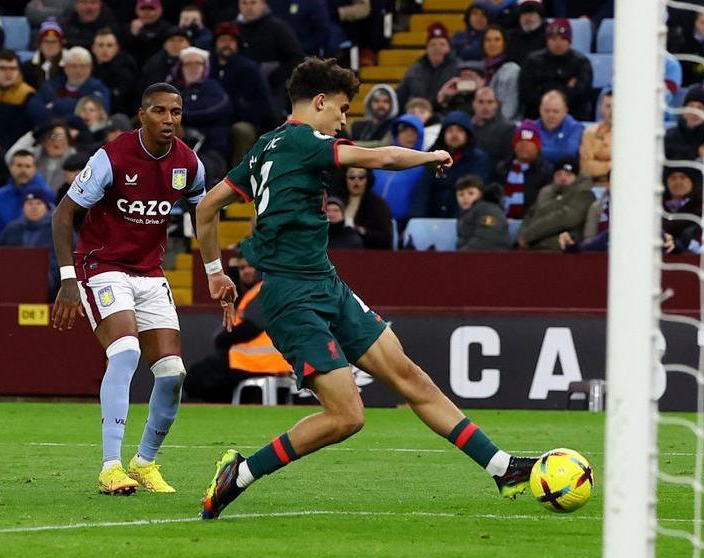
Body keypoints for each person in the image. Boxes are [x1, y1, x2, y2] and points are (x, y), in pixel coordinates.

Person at [193, 57, 540, 519]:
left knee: (408, 376)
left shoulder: (262, 147)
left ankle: (501, 468)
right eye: (340, 108)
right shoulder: (305, 140)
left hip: (325, 283)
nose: (342, 119)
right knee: (347, 416)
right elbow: (382, 157)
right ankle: (239, 474)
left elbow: (207, 206)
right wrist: (430, 155)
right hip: (291, 297)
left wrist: (216, 271)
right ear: (319, 102)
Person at [50, 82, 209, 496]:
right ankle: (109, 467)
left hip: (149, 272)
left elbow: (203, 215)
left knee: (173, 373)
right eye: (160, 111)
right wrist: (68, 278)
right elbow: (64, 215)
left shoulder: (188, 164)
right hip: (101, 266)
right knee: (125, 352)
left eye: (175, 112)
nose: (169, 120)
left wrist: (215, 270)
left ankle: (145, 462)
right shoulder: (112, 157)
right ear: (142, 114)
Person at [184, 254, 294, 403]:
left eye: (250, 266)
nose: (245, 271)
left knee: (195, 378)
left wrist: (222, 337)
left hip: (255, 362)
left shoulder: (264, 289)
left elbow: (251, 327)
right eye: (241, 268)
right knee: (207, 380)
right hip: (259, 362)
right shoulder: (258, 291)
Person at [210, 21, 273, 165]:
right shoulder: (207, 67)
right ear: (215, 43)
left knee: (241, 131)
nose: (227, 44)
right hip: (211, 121)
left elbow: (263, 104)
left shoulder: (250, 69)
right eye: (222, 40)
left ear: (237, 43)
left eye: (231, 40)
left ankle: (237, 180)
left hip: (242, 121)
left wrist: (236, 110)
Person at [412, 111, 490, 219]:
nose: (454, 135)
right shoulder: (433, 157)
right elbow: (423, 192)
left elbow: (475, 194)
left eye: (459, 130)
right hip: (433, 221)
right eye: (450, 130)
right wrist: (417, 221)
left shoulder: (478, 159)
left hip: (465, 221)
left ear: (467, 134)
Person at [236, 0, 306, 110]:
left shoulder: (277, 28)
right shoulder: (233, 29)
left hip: (272, 91)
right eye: (244, 3)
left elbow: (297, 58)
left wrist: (272, 78)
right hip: (239, 90)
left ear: (263, 4)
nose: (248, 7)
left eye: (253, 3)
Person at [518, 19, 593, 120]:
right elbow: (527, 94)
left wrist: (544, 88)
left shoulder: (581, 63)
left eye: (563, 39)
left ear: (569, 41)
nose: (558, 43)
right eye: (553, 39)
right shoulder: (532, 61)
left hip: (572, 117)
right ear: (547, 40)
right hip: (536, 117)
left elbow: (582, 95)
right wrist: (567, 88)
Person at [517, 156, 595, 250]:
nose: (563, 178)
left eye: (568, 174)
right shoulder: (546, 193)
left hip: (562, 247)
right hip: (534, 245)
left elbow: (565, 218)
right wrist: (520, 237)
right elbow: (529, 216)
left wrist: (527, 236)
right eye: (558, 174)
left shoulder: (584, 194)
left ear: (576, 177)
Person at [176, 46, 232, 160]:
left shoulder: (213, 87)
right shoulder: (174, 89)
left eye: (198, 63)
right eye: (188, 64)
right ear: (181, 67)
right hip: (179, 149)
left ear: (205, 67)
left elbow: (210, 111)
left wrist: (179, 114)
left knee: (189, 172)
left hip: (211, 151)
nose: (193, 67)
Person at [0, 149, 56, 244]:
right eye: (19, 166)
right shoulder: (0, 195)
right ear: (10, 167)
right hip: (8, 249)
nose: (23, 170)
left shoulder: (47, 194)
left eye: (28, 166)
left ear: (35, 169)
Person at [0, 191, 59, 292]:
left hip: (51, 288)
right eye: (29, 204)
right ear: (23, 207)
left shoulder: (58, 229)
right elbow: (0, 257)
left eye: (38, 203)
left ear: (46, 207)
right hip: (13, 286)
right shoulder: (11, 229)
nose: (34, 207)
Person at [495, 120, 552, 219]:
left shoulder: (546, 171)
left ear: (537, 146)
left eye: (529, 142)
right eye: (520, 141)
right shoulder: (502, 168)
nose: (524, 146)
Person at [36, 46, 112, 119]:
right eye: (74, 66)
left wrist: (56, 105)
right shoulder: (50, 86)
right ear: (65, 68)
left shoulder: (99, 88)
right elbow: (35, 107)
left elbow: (100, 109)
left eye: (83, 66)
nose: (78, 71)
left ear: (90, 68)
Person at [397, 22, 458, 112]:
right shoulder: (414, 70)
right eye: (433, 44)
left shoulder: (457, 70)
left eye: (442, 44)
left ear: (449, 48)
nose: (437, 48)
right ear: (427, 49)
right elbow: (400, 96)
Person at [91, 27, 140, 117]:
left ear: (116, 48)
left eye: (109, 45)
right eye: (100, 45)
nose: (104, 49)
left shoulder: (126, 74)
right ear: (93, 48)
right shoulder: (87, 69)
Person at [342, 166, 394, 249]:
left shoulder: (378, 204)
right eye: (351, 177)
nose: (356, 181)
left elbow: (385, 238)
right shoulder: (336, 201)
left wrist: (362, 231)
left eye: (361, 177)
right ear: (345, 179)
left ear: (367, 179)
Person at [455, 174, 509, 250]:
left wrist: (460, 257)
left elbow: (485, 239)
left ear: (480, 194)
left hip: (490, 259)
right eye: (460, 194)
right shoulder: (468, 212)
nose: (465, 197)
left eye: (471, 193)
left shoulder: (487, 209)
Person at [481, 24, 520, 121]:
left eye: (497, 40)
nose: (492, 44)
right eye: (488, 40)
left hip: (504, 124)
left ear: (504, 44)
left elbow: (509, 109)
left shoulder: (512, 70)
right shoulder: (477, 68)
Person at [470, 86, 515, 168]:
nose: (485, 106)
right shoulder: (466, 126)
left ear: (496, 104)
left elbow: (507, 160)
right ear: (474, 104)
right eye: (481, 102)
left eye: (490, 102)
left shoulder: (508, 129)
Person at [534, 90, 583, 164]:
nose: (551, 115)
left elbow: (569, 154)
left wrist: (536, 152)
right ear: (540, 110)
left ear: (565, 111)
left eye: (555, 111)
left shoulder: (576, 128)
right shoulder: (530, 127)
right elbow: (523, 152)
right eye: (547, 111)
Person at [22, 19, 66, 89]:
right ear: (40, 44)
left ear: (61, 44)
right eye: (46, 41)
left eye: (54, 41)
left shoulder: (69, 66)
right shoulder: (27, 68)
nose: (50, 45)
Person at [580, 91, 611, 190]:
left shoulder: (631, 136)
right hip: (593, 186)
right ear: (601, 108)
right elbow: (586, 167)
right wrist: (609, 166)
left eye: (617, 105)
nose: (612, 110)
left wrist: (599, 163)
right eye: (608, 106)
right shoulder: (589, 133)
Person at [126, 0, 173, 65]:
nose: (147, 12)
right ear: (136, 11)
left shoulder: (167, 28)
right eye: (143, 9)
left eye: (151, 9)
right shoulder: (129, 27)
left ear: (160, 10)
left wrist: (142, 36)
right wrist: (133, 35)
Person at [506, 0, 546, 65]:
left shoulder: (549, 35)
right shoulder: (511, 37)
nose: (527, 18)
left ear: (540, 17)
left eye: (532, 13)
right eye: (524, 14)